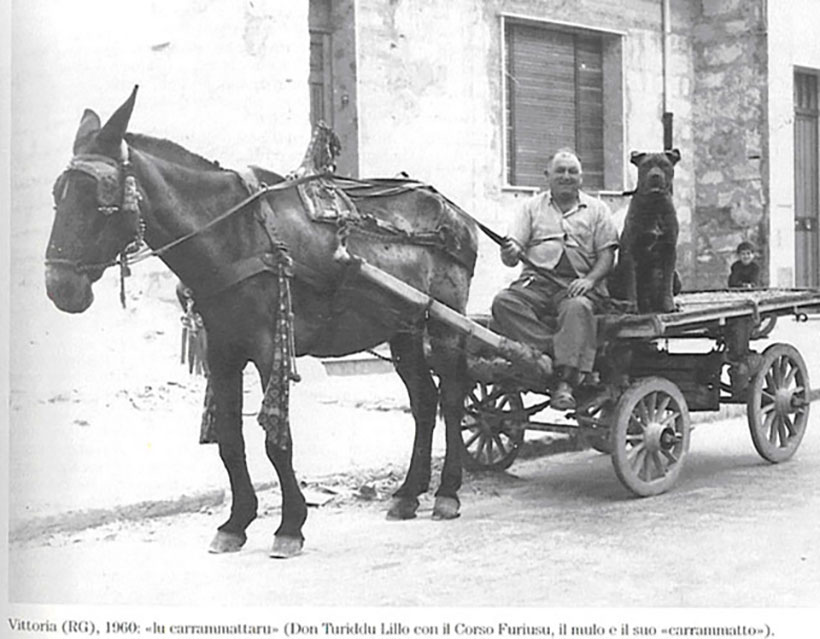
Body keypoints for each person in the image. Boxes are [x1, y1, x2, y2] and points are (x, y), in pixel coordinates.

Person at [491, 149, 619, 410]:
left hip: (577, 285)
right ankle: (550, 354)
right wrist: (511, 252)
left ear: (581, 178)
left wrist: (591, 281)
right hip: (536, 283)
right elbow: (512, 253)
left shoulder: (597, 210)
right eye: (560, 171)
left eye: (573, 171)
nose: (566, 176)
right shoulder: (530, 208)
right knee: (503, 302)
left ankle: (564, 382)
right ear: (547, 175)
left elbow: (607, 257)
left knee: (578, 308)